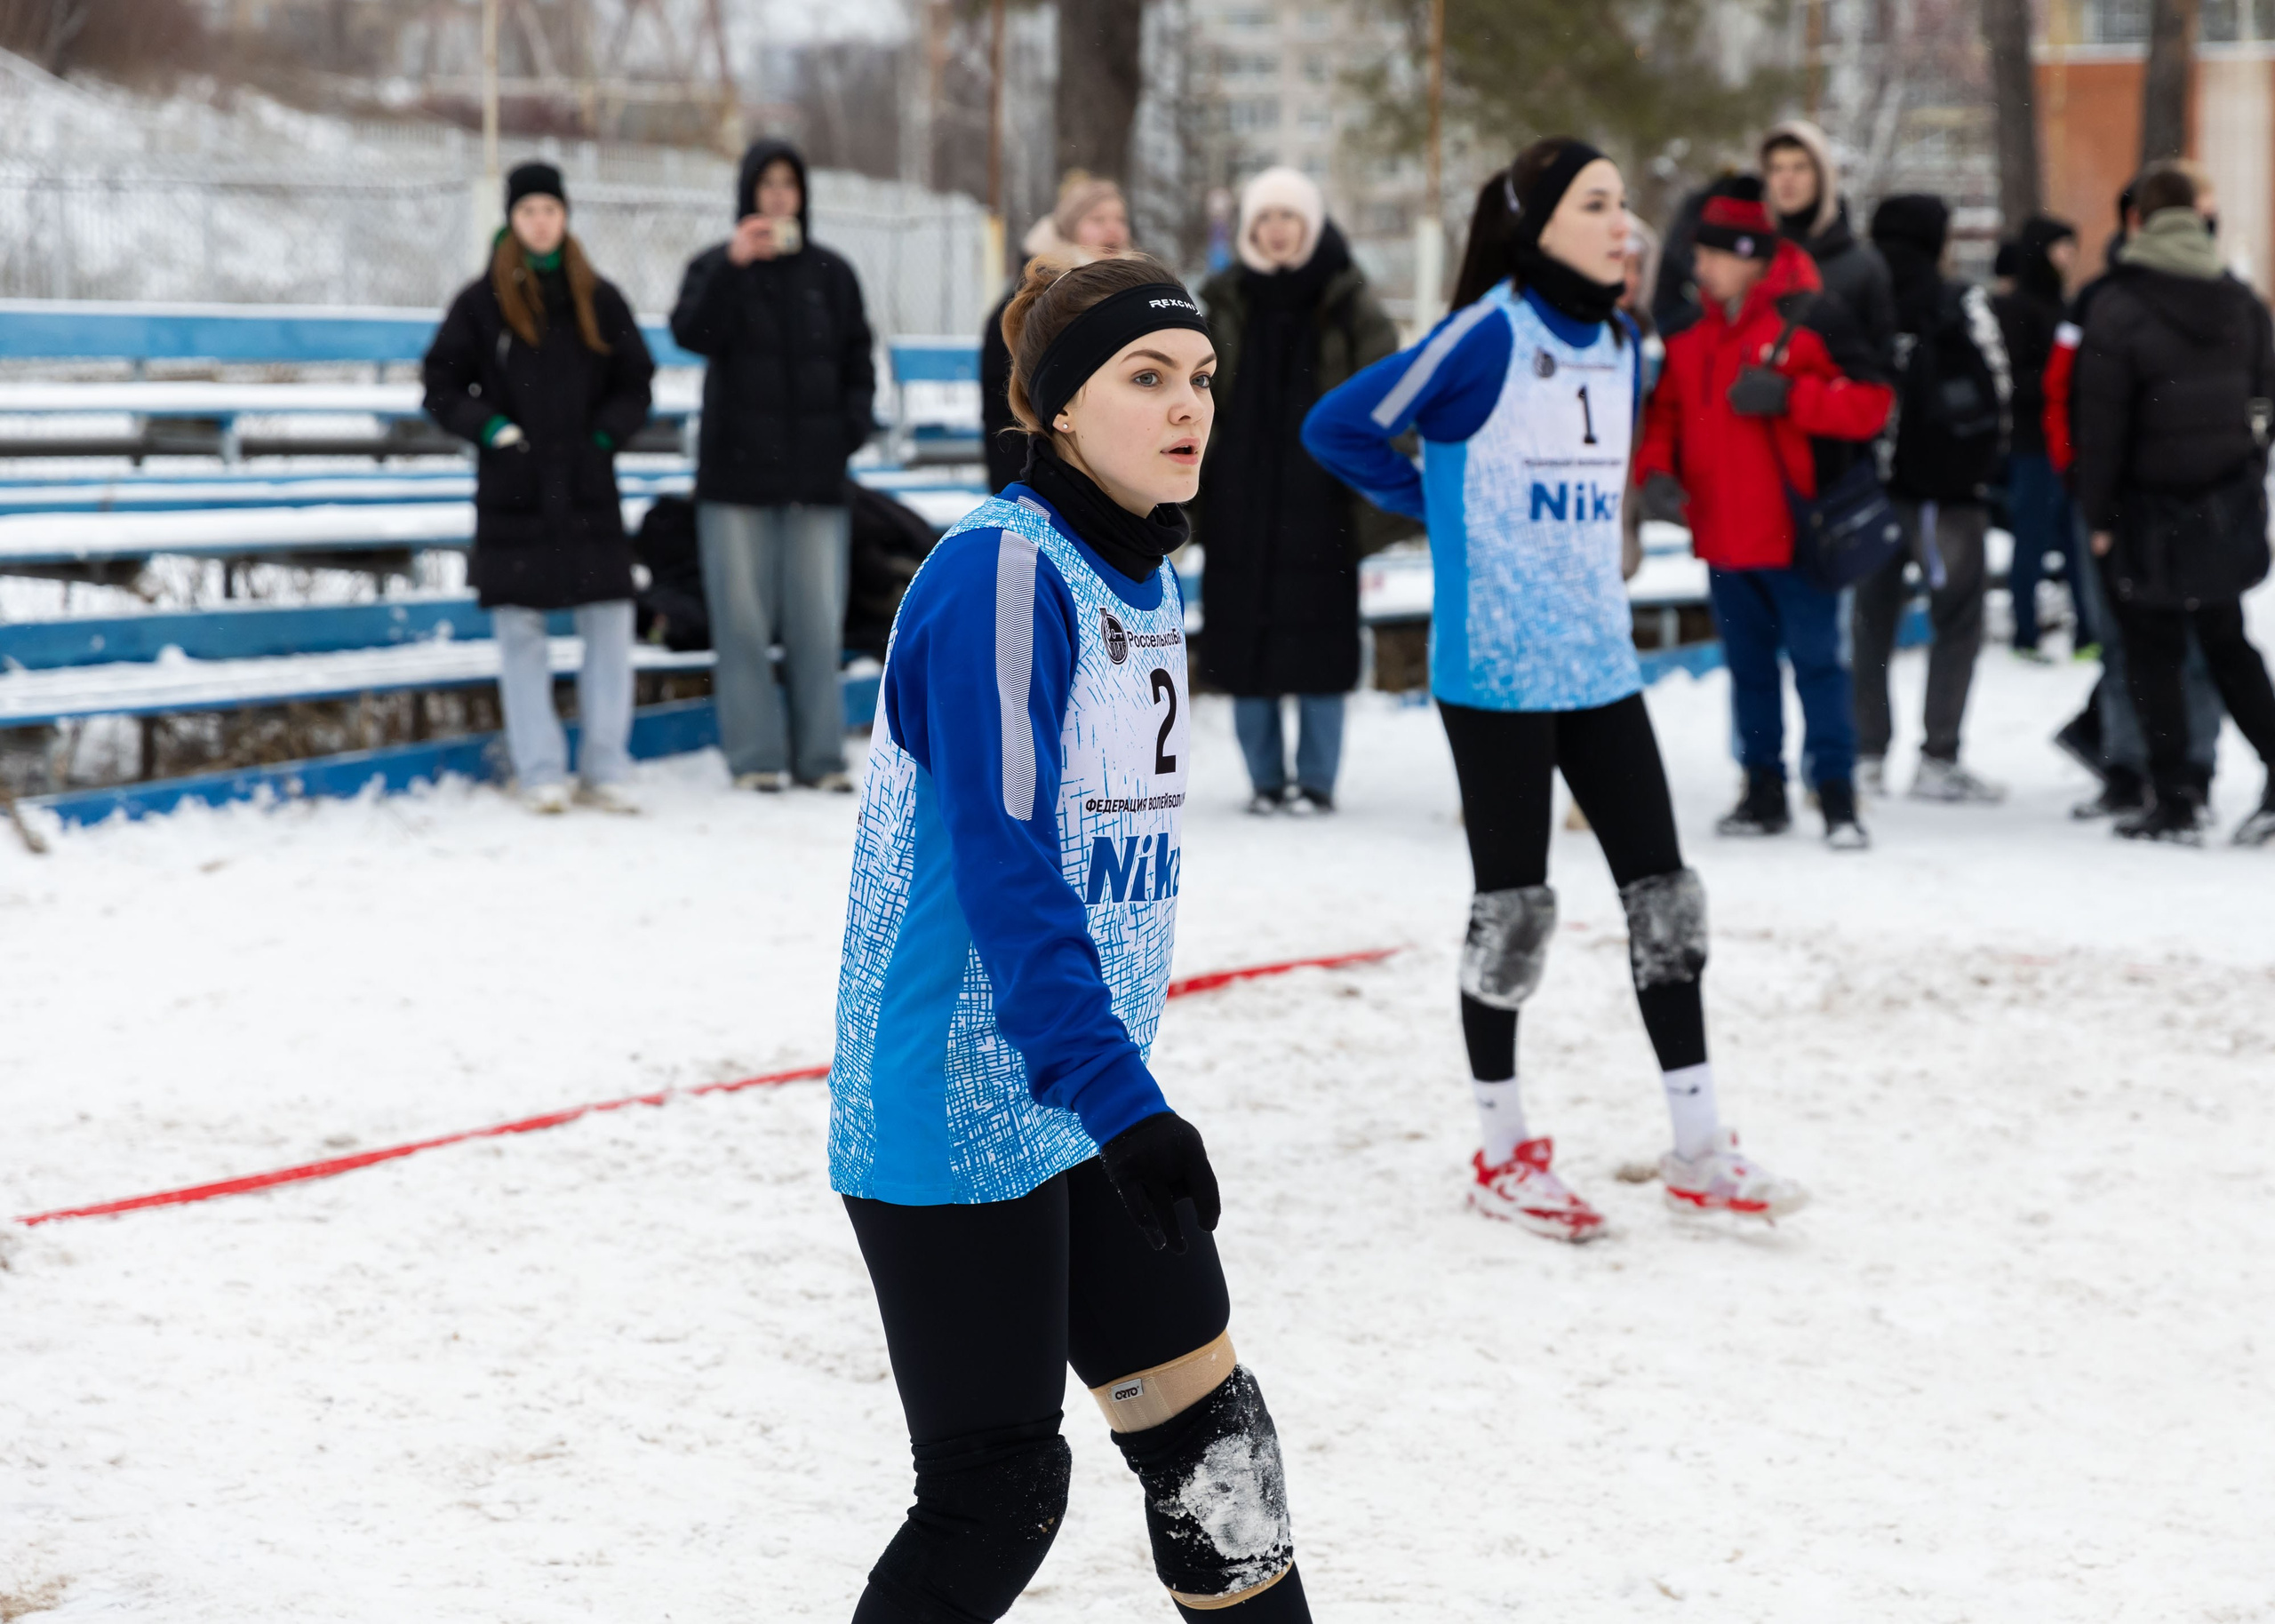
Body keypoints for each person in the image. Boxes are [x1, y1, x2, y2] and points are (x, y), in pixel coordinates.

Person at [831, 251, 1314, 1621]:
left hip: (1082, 1091)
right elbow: (1008, 866)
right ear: (1053, 407)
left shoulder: (1145, 576)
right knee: (994, 1495)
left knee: (1218, 1459)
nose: (1188, 406)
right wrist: (1120, 1094)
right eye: (1145, 378)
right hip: (953, 1106)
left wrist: (1109, 1090)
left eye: (1201, 377)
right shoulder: (999, 574)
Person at [1305, 139, 1808, 1242]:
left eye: (1623, 203)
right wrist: (1440, 502)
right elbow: (1336, 426)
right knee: (1514, 911)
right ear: (1536, 225)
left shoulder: (1624, 343)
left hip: (1598, 663)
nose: (1623, 223)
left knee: (1666, 901)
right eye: (1596, 203)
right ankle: (1501, 1152)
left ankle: (1698, 1146)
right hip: (1494, 671)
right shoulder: (1487, 332)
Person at [1632, 175, 1893, 849]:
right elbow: (1665, 415)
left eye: (1710, 255)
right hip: (1722, 536)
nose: (1699, 267)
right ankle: (1762, 789)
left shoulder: (1812, 318)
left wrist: (1791, 398)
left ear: (1748, 256)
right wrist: (1654, 473)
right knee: (1749, 672)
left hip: (1798, 537)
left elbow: (1873, 403)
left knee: (1819, 667)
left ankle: (1836, 796)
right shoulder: (1690, 332)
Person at [423, 161, 655, 816]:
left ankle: (605, 766)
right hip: (514, 490)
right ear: (512, 219)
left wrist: (604, 437)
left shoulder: (598, 297)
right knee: (520, 632)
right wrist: (492, 429)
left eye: (550, 209)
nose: (541, 222)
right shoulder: (480, 302)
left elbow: (636, 380)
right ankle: (540, 769)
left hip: (587, 488)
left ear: (565, 215)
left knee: (610, 622)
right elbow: (440, 384)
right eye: (528, 211)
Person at [2072, 163, 2275, 847]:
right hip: (2222, 502)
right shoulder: (2241, 302)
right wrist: (2245, 475)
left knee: (2152, 652)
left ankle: (2175, 796)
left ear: (2140, 220)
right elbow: (2264, 401)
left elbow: (2100, 426)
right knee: (2226, 644)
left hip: (2145, 507)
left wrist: (2098, 515)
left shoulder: (2118, 306)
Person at [1194, 165, 1406, 816]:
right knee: (1245, 640)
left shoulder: (1348, 300)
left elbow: (1388, 397)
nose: (1278, 230)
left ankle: (1316, 780)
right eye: (1265, 218)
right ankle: (1263, 780)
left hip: (1324, 500)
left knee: (1321, 643)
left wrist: (1381, 493)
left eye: (1289, 217)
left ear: (1310, 224)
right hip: (1241, 498)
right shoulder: (1224, 299)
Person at [670, 138, 874, 793]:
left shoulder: (832, 274)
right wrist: (733, 267)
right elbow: (691, 334)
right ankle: (755, 757)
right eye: (768, 184)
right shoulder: (716, 266)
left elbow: (859, 362)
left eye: (790, 183)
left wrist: (848, 433)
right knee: (742, 625)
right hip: (734, 480)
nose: (780, 196)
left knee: (818, 624)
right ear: (748, 194)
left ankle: (820, 758)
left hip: (816, 481)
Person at [2047, 179, 2227, 819]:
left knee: (2198, 644)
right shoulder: (2101, 299)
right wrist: (2079, 476)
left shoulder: (2224, 296)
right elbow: (2062, 392)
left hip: (2201, 498)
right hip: (2115, 497)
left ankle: (2192, 771)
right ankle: (2125, 767)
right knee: (2122, 640)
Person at [1855, 194, 2012, 803]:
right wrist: (1982, 466)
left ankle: (1867, 753)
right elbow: (1997, 385)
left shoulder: (1861, 297)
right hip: (1948, 496)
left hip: (1870, 492)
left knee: (1870, 623)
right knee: (1957, 620)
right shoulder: (1958, 301)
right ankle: (1938, 755)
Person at [980, 174, 1132, 494]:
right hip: (1041, 469)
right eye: (1098, 219)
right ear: (1068, 229)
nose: (1113, 229)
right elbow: (1005, 403)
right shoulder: (1036, 298)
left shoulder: (1135, 293)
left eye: (1120, 219)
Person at [1993, 215, 2090, 663]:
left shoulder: (2064, 304)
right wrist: (2062, 380)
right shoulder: (2017, 307)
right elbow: (2012, 378)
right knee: (2030, 539)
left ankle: (2086, 630)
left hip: (2067, 440)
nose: (2068, 257)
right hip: (2032, 443)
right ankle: (2025, 632)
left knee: (2073, 540)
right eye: (2061, 247)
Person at [1760, 118, 1899, 366]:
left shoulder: (1862, 267)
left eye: (1800, 167)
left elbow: (1879, 364)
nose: (1786, 179)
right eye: (1776, 168)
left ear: (1822, 176)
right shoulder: (1752, 259)